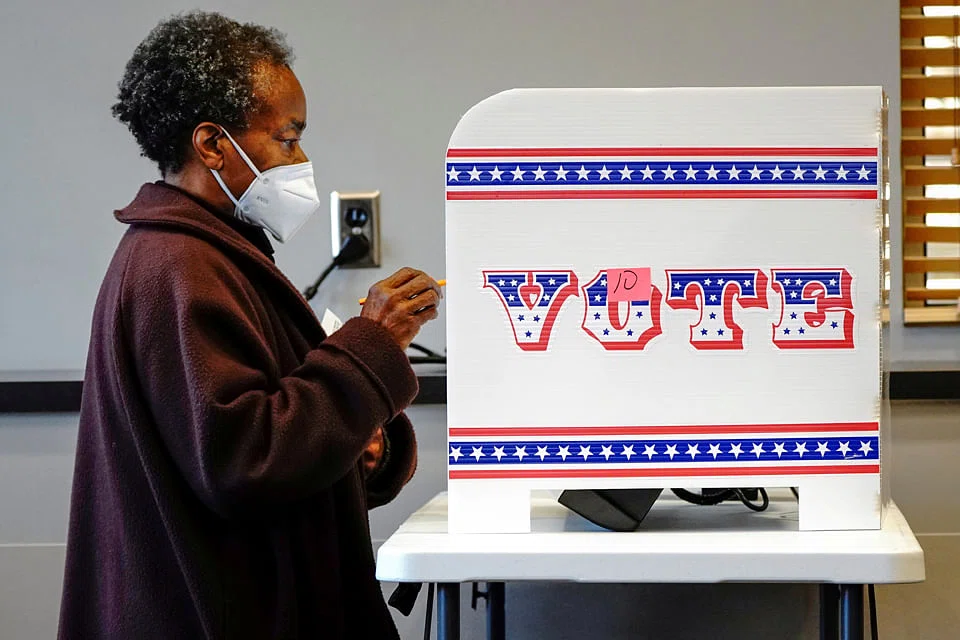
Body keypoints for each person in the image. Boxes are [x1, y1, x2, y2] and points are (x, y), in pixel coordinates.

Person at [57, 10, 441, 639]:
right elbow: (244, 463)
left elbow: (260, 429)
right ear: (212, 145)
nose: (301, 158)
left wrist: (360, 441)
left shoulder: (209, 255)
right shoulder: (178, 266)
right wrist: (374, 341)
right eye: (287, 139)